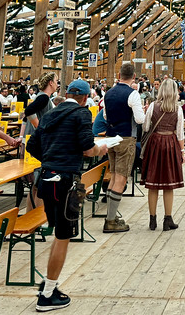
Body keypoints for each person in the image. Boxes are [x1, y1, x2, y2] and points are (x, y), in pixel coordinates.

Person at [26, 78, 107, 311]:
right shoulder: (81, 114)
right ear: (83, 98)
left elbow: (32, 145)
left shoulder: (50, 113)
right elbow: (87, 147)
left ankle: (48, 285)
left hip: (46, 180)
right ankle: (48, 294)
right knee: (63, 236)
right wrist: (99, 149)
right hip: (65, 182)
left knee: (59, 233)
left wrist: (50, 160)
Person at [102, 62, 145, 233]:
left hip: (110, 137)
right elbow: (140, 120)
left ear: (119, 75)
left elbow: (105, 115)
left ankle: (110, 215)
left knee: (113, 177)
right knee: (121, 179)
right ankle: (110, 220)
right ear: (134, 77)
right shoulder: (133, 94)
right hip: (126, 137)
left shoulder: (108, 93)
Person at [141, 78, 185, 231]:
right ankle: (168, 219)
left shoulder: (153, 105)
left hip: (154, 144)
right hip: (170, 143)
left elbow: (146, 127)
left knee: (153, 185)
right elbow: (180, 133)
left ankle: (152, 220)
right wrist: (182, 151)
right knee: (168, 184)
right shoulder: (177, 109)